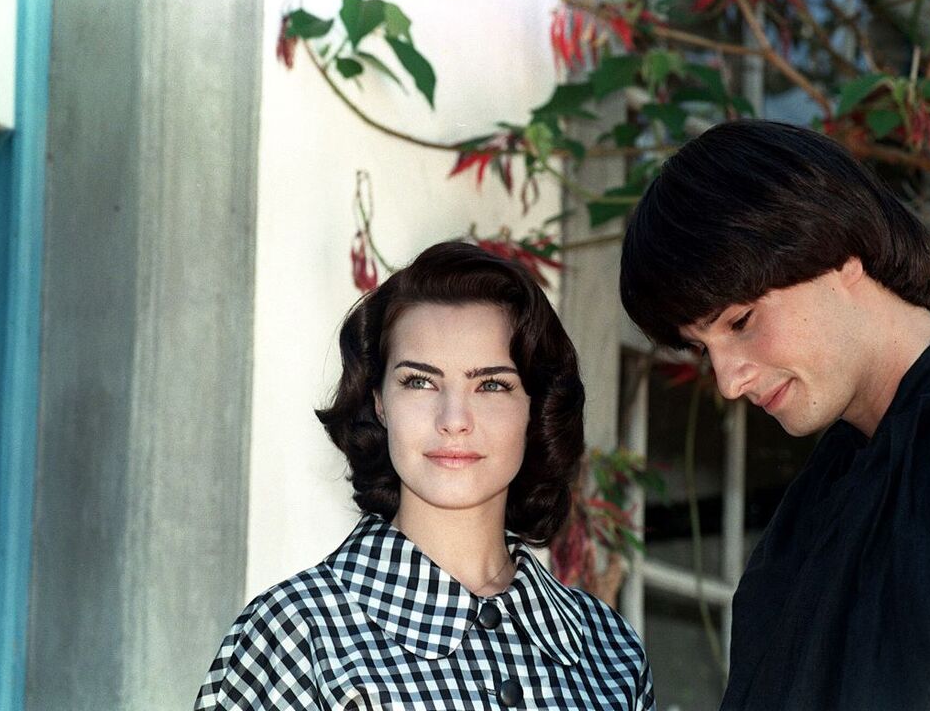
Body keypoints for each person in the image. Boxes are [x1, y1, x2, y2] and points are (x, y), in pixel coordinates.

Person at [620, 119, 930, 710]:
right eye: (702, 348)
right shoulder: (797, 533)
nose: (730, 381)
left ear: (841, 254)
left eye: (741, 322)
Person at [195, 241, 656, 710]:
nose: (454, 419)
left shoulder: (609, 651)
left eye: (492, 385)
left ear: (535, 408)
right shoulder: (293, 638)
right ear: (379, 400)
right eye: (420, 382)